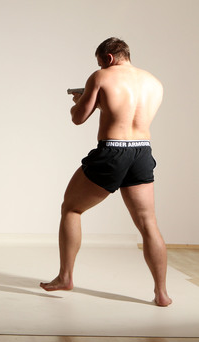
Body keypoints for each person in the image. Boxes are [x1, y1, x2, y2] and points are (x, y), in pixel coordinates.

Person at [40, 37, 172, 307]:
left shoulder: (101, 76)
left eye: (100, 61)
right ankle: (162, 294)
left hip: (112, 152)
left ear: (108, 58)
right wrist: (101, 103)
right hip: (142, 152)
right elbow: (130, 116)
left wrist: (78, 101)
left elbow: (78, 118)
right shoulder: (154, 82)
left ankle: (65, 277)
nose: (100, 66)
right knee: (149, 224)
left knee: (71, 209)